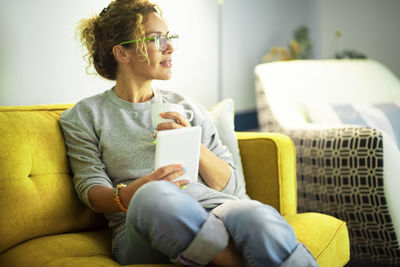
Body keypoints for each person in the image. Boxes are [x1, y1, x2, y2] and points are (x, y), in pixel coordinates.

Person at [60, 0, 318, 266]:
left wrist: (195, 145)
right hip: (142, 225)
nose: (170, 47)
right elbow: (91, 192)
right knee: (154, 196)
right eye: (157, 39)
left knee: (255, 213)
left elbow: (233, 187)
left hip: (217, 209)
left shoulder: (186, 106)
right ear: (122, 53)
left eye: (169, 37)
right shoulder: (83, 117)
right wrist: (133, 191)